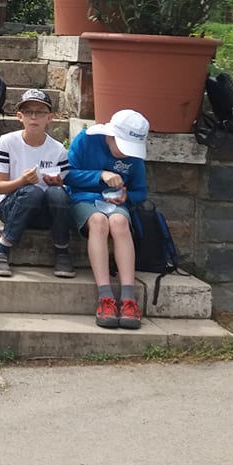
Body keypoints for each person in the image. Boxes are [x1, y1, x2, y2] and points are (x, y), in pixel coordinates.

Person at [66, 109, 150, 330]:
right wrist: (99, 175)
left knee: (119, 222)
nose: (125, 153)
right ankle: (105, 296)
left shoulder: (134, 159)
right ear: (110, 135)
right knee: (98, 222)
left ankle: (128, 297)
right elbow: (67, 174)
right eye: (122, 146)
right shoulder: (85, 140)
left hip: (116, 204)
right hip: (84, 199)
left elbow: (141, 191)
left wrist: (126, 197)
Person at [0, 89, 72, 277]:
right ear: (20, 116)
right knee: (32, 191)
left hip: (44, 213)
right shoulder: (7, 142)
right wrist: (22, 181)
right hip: (12, 206)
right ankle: (1, 249)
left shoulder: (58, 150)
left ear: (49, 118)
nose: (34, 117)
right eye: (28, 112)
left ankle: (62, 251)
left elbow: (65, 190)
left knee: (57, 193)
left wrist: (58, 184)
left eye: (40, 112)